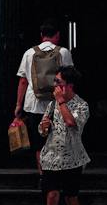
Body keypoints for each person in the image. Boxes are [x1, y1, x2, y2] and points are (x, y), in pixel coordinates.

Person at [37, 66, 89, 205]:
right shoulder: (51, 106)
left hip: (72, 158)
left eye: (59, 82)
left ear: (68, 85)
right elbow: (42, 131)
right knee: (51, 196)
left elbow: (71, 123)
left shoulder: (81, 105)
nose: (55, 85)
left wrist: (61, 102)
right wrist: (44, 126)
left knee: (71, 198)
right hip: (51, 157)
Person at [13, 21, 73, 171]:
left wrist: (18, 105)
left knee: (39, 144)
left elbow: (22, 81)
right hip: (58, 104)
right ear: (57, 35)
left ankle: (43, 175)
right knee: (58, 140)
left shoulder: (29, 53)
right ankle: (56, 173)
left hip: (34, 104)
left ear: (41, 36)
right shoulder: (63, 52)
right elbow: (70, 79)